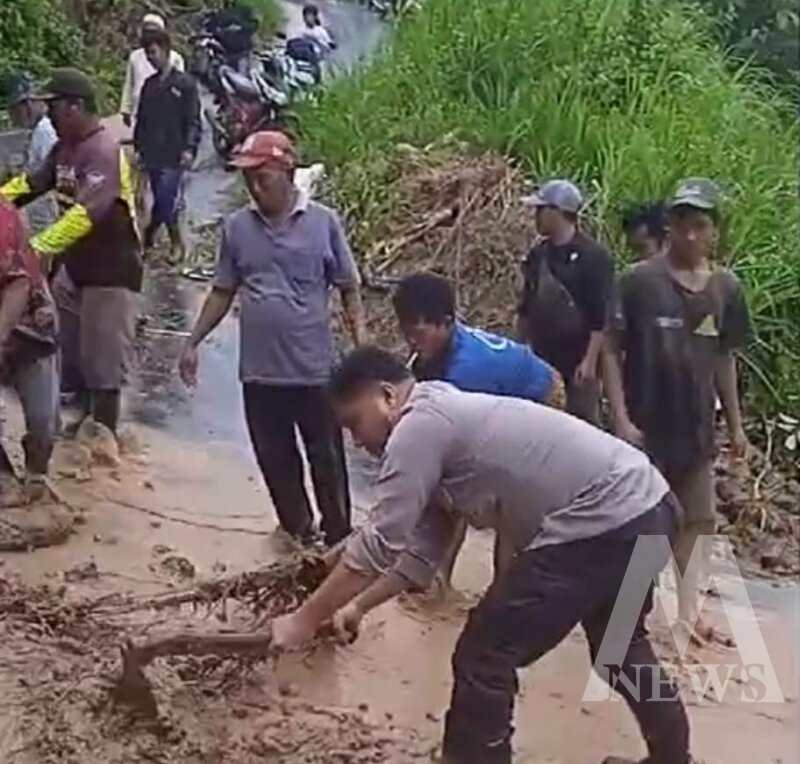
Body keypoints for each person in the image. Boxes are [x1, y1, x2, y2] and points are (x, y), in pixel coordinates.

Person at [270, 347, 692, 764]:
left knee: (486, 652)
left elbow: (378, 543)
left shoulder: (418, 426)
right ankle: (673, 759)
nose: (357, 442)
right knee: (619, 650)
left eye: (354, 423)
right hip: (652, 508)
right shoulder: (440, 423)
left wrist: (303, 621)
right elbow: (418, 553)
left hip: (606, 518)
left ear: (387, 396)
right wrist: (357, 607)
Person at [179, 131, 366, 548]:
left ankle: (338, 540)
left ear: (286, 172)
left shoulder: (322, 223)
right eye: (248, 178)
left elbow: (349, 288)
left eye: (261, 176)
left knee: (327, 461)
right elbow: (223, 291)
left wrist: (362, 353)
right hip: (260, 373)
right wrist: (192, 342)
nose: (253, 186)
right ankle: (298, 535)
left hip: (314, 371)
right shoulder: (237, 228)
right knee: (276, 460)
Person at [602, 178, 751, 643]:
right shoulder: (639, 282)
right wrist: (621, 419)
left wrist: (737, 426)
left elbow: (726, 358)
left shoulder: (726, 289)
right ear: (670, 228)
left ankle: (687, 618)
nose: (690, 235)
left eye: (699, 226)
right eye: (682, 225)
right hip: (646, 427)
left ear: (714, 232)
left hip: (697, 429)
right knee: (644, 524)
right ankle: (625, 618)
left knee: (698, 523)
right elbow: (610, 348)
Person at [393, 271, 565, 587]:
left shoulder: (465, 370)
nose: (411, 342)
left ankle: (501, 585)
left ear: (445, 323)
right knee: (452, 486)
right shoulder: (433, 351)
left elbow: (452, 447)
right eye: (406, 333)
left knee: (505, 491)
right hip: (500, 391)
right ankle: (440, 576)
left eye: (417, 333)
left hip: (540, 393)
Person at [0, 68, 144, 437]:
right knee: (72, 353)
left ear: (76, 107)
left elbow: (85, 215)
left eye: (54, 108)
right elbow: (32, 184)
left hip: (111, 271)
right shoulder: (64, 149)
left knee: (104, 364)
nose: (48, 116)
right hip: (76, 268)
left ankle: (105, 441)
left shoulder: (103, 152)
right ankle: (80, 426)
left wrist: (33, 249)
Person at [517, 179, 614, 424]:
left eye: (541, 210)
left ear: (556, 212)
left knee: (583, 425)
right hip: (542, 357)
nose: (536, 216)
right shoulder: (538, 255)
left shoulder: (594, 257)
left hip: (578, 357)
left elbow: (600, 316)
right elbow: (527, 307)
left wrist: (590, 361)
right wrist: (523, 350)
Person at [0, 199, 59, 504]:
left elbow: (17, 286)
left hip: (28, 330)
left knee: (43, 423)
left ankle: (37, 473)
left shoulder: (2, 219)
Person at [134, 29, 201, 261]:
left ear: (166, 50)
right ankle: (152, 236)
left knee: (165, 197)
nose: (151, 58)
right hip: (152, 153)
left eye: (153, 52)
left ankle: (171, 241)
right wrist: (138, 149)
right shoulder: (149, 86)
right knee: (162, 199)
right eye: (147, 54)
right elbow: (141, 121)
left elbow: (193, 121)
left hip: (174, 153)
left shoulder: (185, 84)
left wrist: (189, 148)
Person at [6, 73, 59, 236]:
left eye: (15, 111)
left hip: (45, 206)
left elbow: (49, 175)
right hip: (36, 204)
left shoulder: (45, 131)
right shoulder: (38, 130)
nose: (15, 117)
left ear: (27, 105)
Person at [120, 14, 185, 129]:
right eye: (147, 30)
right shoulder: (135, 57)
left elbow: (180, 86)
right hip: (139, 108)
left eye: (153, 31)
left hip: (166, 111)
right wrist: (126, 109)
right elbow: (129, 84)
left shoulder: (175, 58)